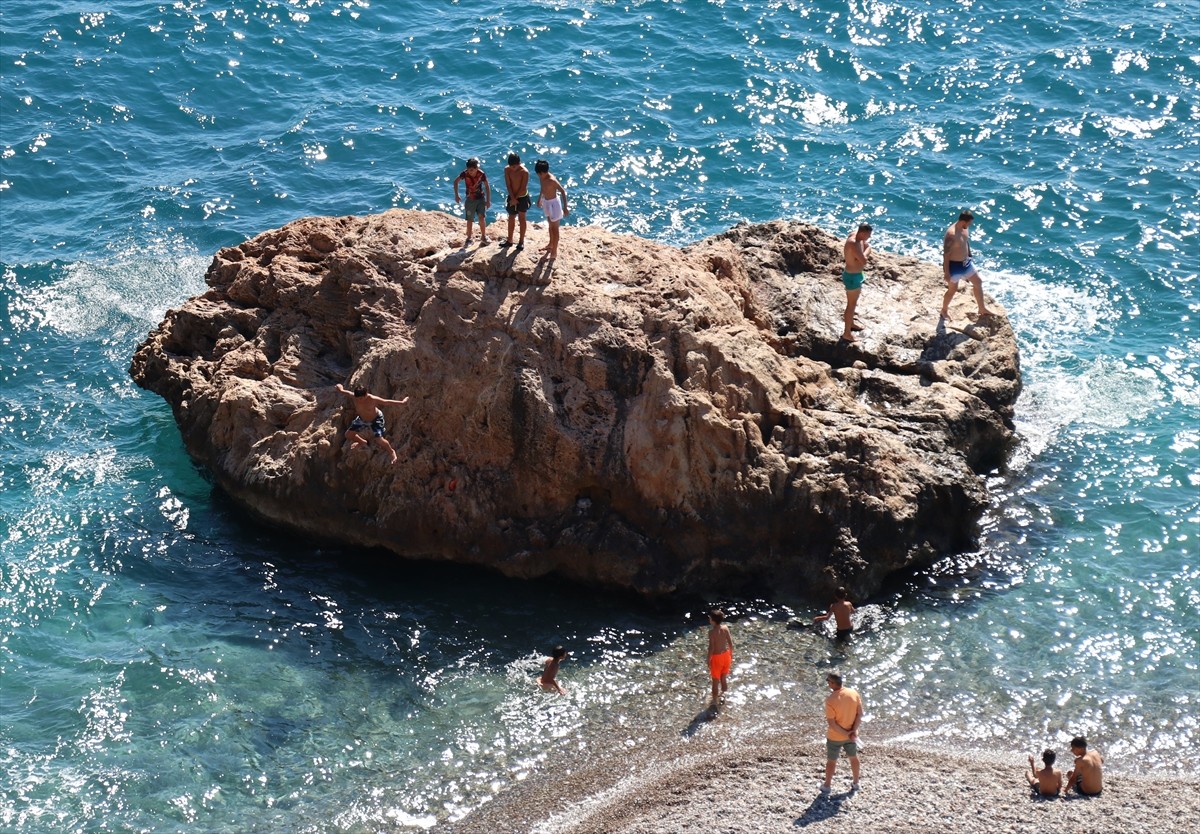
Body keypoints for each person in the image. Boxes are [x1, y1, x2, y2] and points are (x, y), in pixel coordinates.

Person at [335, 383, 409, 464]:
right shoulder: (354, 397)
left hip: (376, 419)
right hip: (362, 419)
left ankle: (391, 452)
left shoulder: (372, 399)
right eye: (358, 399)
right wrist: (340, 388)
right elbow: (345, 392)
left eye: (361, 398)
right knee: (348, 435)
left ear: (366, 395)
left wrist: (402, 403)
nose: (359, 400)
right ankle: (362, 442)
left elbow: (386, 402)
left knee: (379, 440)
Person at [940, 209, 995, 321]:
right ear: (964, 221)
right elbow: (946, 255)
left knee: (978, 282)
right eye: (969, 223)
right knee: (952, 290)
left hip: (966, 263)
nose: (970, 225)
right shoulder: (951, 235)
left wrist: (969, 253)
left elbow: (965, 241)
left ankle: (982, 308)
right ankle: (944, 310)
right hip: (954, 266)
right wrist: (947, 272)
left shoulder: (964, 228)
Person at [822, 672, 862, 793]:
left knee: (831, 761)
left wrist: (846, 734)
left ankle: (827, 785)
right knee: (853, 757)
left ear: (833, 683)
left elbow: (832, 724)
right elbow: (860, 714)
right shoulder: (853, 693)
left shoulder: (830, 700)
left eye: (828, 681)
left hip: (835, 736)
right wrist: (852, 731)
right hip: (852, 735)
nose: (828, 683)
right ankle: (856, 783)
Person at [841, 223, 872, 343]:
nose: (869, 237)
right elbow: (863, 261)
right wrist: (868, 250)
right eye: (868, 235)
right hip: (852, 277)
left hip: (856, 275)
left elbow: (865, 246)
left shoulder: (857, 237)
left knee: (853, 304)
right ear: (862, 233)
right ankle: (847, 334)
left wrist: (866, 248)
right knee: (851, 305)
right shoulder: (854, 243)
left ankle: (851, 324)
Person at [534, 159, 568, 261]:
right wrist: (540, 198)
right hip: (547, 202)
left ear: (543, 172)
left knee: (555, 228)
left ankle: (554, 252)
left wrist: (565, 207)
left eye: (539, 174)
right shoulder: (542, 177)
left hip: (554, 204)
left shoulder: (552, 180)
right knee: (550, 225)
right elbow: (542, 187)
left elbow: (563, 191)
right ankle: (550, 244)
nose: (539, 176)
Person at [453, 157, 491, 247]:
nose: (470, 172)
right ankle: (469, 238)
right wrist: (457, 195)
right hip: (470, 199)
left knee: (482, 217)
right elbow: (456, 182)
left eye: (472, 170)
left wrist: (488, 200)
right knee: (469, 219)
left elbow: (487, 186)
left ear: (476, 168)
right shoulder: (465, 173)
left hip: (480, 198)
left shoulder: (481, 174)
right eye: (469, 170)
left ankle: (484, 237)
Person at [502, 153, 531, 252]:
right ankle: (509, 240)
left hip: (522, 197)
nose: (512, 168)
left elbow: (523, 187)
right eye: (511, 166)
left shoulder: (524, 172)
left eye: (514, 166)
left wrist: (516, 198)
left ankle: (521, 241)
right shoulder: (507, 169)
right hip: (512, 196)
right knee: (511, 217)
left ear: (519, 163)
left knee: (522, 218)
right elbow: (508, 184)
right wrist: (512, 198)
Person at [706, 609, 734, 707]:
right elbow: (730, 643)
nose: (709, 619)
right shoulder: (725, 628)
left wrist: (708, 659)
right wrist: (731, 654)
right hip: (726, 655)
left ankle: (714, 701)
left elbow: (711, 648)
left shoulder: (711, 632)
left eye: (710, 618)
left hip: (717, 658)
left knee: (715, 681)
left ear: (713, 621)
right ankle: (723, 694)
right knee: (723, 677)